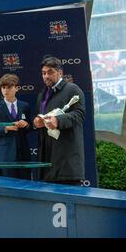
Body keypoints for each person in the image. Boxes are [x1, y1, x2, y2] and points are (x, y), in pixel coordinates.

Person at [33, 56, 86, 185]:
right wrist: (37, 123)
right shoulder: (42, 95)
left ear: (60, 73)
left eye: (50, 72)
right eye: (43, 73)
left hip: (66, 162)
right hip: (47, 160)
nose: (46, 76)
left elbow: (79, 114)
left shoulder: (72, 89)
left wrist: (58, 120)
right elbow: (40, 117)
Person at [0, 74, 31, 179]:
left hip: (23, 153)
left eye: (9, 87)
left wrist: (26, 125)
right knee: (8, 185)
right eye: (3, 88)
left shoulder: (24, 106)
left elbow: (30, 127)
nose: (5, 90)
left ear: (17, 88)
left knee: (25, 184)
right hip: (5, 154)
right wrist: (6, 128)